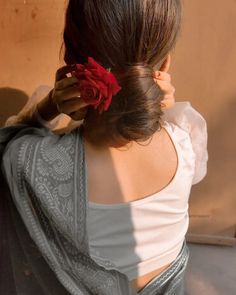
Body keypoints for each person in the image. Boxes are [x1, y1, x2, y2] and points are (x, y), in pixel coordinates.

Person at [0, 0, 208, 294]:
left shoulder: (28, 162)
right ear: (164, 65)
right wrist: (162, 106)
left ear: (71, 62)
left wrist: (48, 108)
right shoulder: (186, 145)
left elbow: (7, 140)